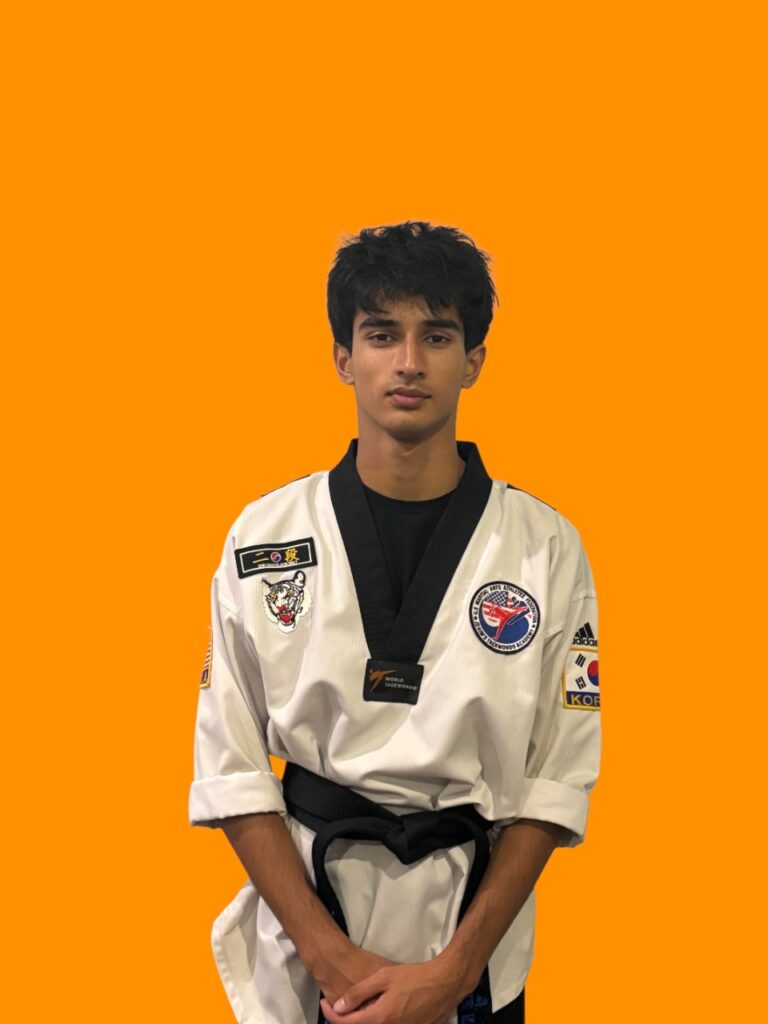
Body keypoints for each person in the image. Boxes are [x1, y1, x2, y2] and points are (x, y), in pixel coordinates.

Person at [189, 220, 601, 1024]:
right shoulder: (266, 537)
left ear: (473, 360)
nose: (409, 362)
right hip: (305, 938)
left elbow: (558, 778)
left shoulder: (545, 546)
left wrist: (454, 972)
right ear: (344, 357)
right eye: (382, 334)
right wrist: (330, 959)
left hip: (474, 940)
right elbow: (230, 763)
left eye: (436, 336)